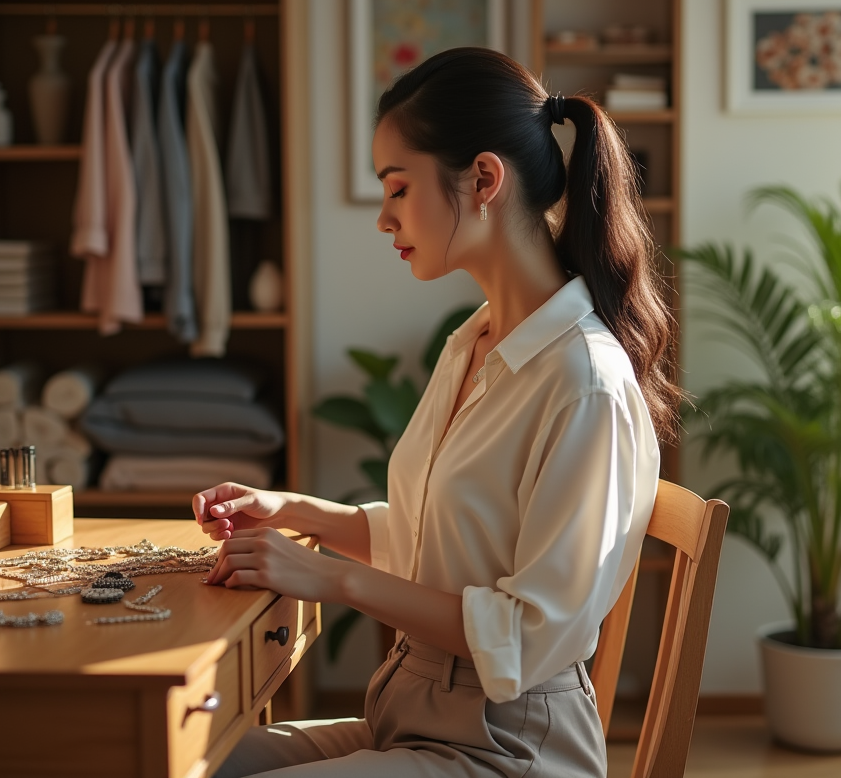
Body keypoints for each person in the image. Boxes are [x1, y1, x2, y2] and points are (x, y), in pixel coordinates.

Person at [196, 47, 679, 778]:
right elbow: (451, 537)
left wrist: (329, 577)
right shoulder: (479, 341)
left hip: (511, 749)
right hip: (410, 715)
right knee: (171, 757)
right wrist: (300, 511)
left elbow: (528, 633)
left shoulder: (584, 381)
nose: (385, 218)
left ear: (484, 179)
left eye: (397, 187)